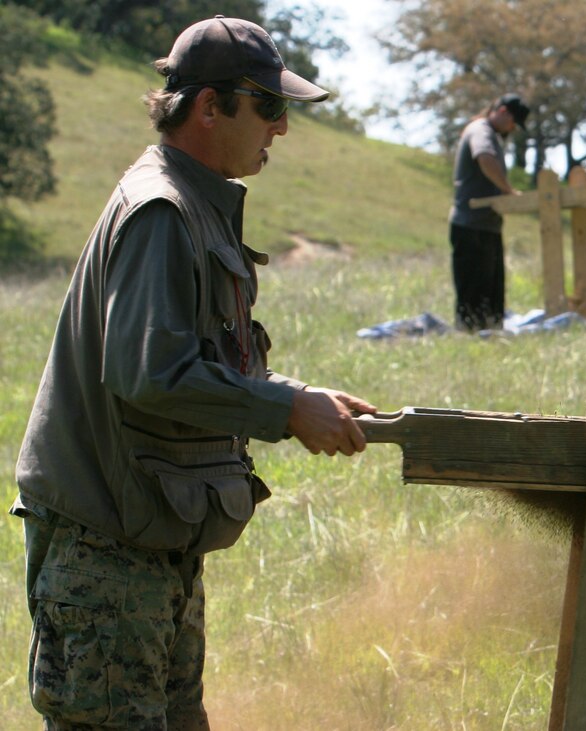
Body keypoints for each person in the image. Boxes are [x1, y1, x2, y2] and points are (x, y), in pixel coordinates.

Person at [10, 16, 378, 729]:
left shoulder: (197, 206)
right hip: (105, 553)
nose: (281, 129)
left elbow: (197, 363)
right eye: (269, 107)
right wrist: (285, 409)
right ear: (210, 107)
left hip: (149, 546)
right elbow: (149, 371)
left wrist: (299, 396)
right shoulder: (162, 211)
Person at [448, 93, 531, 331]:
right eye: (513, 122)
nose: (513, 128)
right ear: (503, 111)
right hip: (470, 225)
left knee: (492, 294)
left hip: (487, 225)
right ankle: (470, 337)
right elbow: (485, 158)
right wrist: (507, 190)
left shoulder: (491, 134)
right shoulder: (480, 130)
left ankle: (490, 335)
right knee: (473, 293)